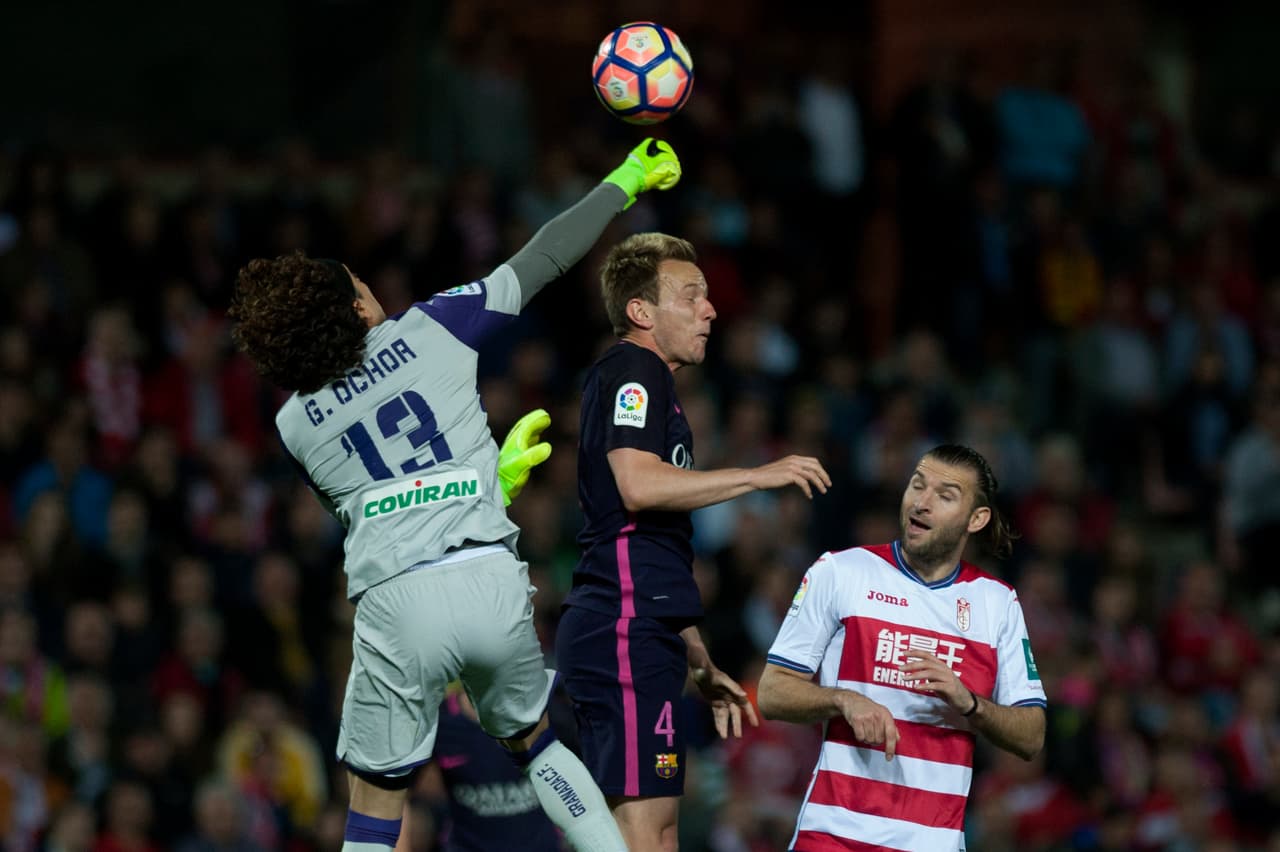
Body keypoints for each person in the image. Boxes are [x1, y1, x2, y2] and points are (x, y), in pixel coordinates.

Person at [227, 137, 685, 852]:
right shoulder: (435, 326)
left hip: (399, 603)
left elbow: (368, 504)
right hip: (489, 584)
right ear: (355, 305)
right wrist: (624, 180)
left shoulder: (293, 426)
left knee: (375, 804)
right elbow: (546, 256)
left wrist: (482, 483)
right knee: (536, 748)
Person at [555, 232, 833, 851]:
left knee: (642, 834)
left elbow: (653, 542)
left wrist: (697, 654)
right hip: (622, 627)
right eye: (691, 295)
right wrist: (756, 474)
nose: (710, 309)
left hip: (639, 627)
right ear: (641, 312)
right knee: (646, 835)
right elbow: (635, 485)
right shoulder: (636, 368)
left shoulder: (649, 382)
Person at [757, 444, 1047, 851]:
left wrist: (969, 702)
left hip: (932, 841)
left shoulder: (996, 603)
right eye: (917, 485)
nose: (922, 503)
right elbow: (771, 691)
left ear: (976, 519)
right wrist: (843, 699)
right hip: (833, 834)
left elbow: (1032, 735)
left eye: (945, 496)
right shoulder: (840, 572)